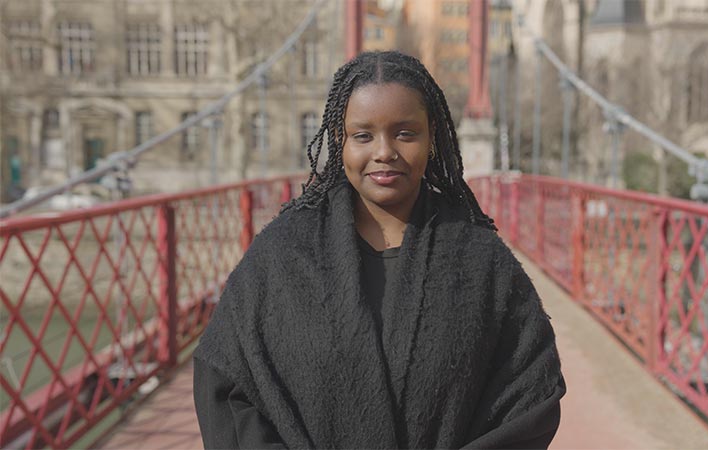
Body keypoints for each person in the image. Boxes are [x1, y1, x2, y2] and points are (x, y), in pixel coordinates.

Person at [193, 50, 565, 449]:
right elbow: (227, 380)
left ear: (432, 136)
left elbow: (532, 393)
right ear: (340, 140)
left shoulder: (480, 258)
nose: (384, 151)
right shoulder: (283, 253)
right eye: (363, 135)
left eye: (405, 133)